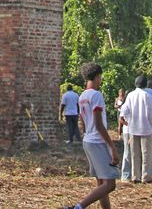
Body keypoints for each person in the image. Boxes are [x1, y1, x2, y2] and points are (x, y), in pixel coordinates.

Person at [60, 62, 118, 209]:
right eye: (101, 77)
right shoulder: (96, 95)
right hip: (97, 141)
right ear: (98, 76)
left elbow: (83, 122)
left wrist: (87, 134)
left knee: (101, 183)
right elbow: (99, 125)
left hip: (88, 140)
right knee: (110, 184)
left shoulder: (82, 96)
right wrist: (112, 147)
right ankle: (78, 207)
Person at [119, 75, 152, 183]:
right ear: (145, 84)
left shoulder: (130, 95)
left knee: (134, 154)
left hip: (133, 128)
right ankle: (146, 177)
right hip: (146, 128)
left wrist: (127, 122)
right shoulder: (148, 96)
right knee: (146, 154)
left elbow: (123, 111)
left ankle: (135, 176)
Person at [113, 89, 131, 182]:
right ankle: (126, 175)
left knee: (132, 153)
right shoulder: (125, 105)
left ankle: (132, 174)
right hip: (128, 131)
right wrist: (128, 124)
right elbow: (121, 119)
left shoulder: (130, 104)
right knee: (127, 152)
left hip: (133, 130)